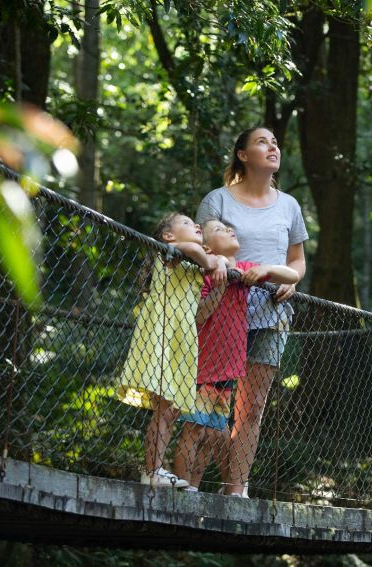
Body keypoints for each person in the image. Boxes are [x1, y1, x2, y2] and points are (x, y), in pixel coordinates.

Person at [196, 127, 308, 497]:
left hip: (271, 314)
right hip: (222, 311)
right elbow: (201, 248)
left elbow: (296, 260)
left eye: (275, 141)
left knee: (252, 407)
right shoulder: (218, 200)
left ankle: (235, 489)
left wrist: (291, 281)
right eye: (262, 141)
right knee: (212, 403)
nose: (273, 145)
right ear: (242, 154)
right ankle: (190, 484)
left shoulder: (289, 205)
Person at [173, 218, 300, 493]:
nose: (230, 230)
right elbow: (199, 315)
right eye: (220, 230)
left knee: (215, 433)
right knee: (194, 429)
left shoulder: (243, 270)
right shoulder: (205, 271)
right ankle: (180, 486)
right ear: (206, 245)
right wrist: (218, 269)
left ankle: (193, 487)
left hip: (228, 368)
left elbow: (292, 276)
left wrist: (264, 269)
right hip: (203, 364)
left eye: (230, 228)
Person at [118, 213, 227, 488]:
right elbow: (191, 248)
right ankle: (152, 470)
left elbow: (201, 314)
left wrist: (218, 286)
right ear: (168, 236)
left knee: (170, 410)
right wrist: (213, 261)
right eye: (189, 224)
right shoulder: (172, 253)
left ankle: (154, 470)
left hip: (182, 339)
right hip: (162, 333)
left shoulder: (193, 267)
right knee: (165, 408)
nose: (197, 227)